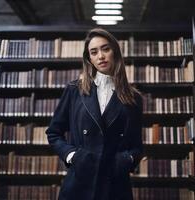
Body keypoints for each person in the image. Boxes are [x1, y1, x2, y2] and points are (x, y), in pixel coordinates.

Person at [46, 28, 143, 200]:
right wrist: (73, 156)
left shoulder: (133, 97)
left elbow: (137, 146)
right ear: (89, 58)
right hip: (79, 182)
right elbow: (54, 133)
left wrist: (125, 160)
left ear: (115, 52)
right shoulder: (74, 90)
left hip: (116, 185)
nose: (101, 56)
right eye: (94, 52)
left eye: (106, 49)